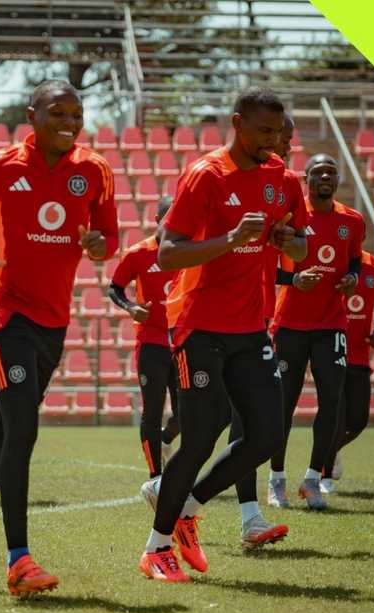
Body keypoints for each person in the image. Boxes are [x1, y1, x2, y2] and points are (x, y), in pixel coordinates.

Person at [0, 79, 119, 596]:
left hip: (53, 324)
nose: (69, 123)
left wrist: (101, 245)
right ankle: (19, 562)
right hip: (3, 317)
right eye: (57, 112)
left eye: (76, 114)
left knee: (9, 437)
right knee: (23, 431)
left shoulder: (94, 170)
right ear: (31, 115)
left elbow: (110, 237)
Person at [138, 87, 306, 583]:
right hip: (199, 326)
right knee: (201, 435)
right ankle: (157, 548)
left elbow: (299, 247)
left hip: (252, 325)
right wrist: (230, 240)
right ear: (237, 123)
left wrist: (285, 239)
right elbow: (168, 254)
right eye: (263, 131)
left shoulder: (283, 178)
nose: (273, 141)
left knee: (268, 436)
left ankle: (188, 507)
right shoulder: (205, 175)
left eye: (278, 132)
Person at [268, 153, 364, 510]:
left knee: (332, 403)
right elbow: (267, 269)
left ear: (337, 181)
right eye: (318, 173)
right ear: (305, 179)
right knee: (283, 405)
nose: (325, 177)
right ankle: (276, 480)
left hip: (331, 324)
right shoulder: (291, 218)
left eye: (331, 173)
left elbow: (354, 259)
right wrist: (294, 279)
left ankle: (312, 479)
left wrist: (352, 277)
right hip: (290, 325)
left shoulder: (352, 221)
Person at [109, 196, 179, 478]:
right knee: (152, 410)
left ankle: (164, 440)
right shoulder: (138, 253)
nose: (173, 224)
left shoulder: (188, 253)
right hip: (151, 343)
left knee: (188, 414)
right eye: (168, 218)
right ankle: (155, 477)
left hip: (184, 341)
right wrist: (130, 307)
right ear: (157, 221)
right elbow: (114, 288)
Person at [323, 249, 374, 493]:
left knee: (358, 422)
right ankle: (324, 475)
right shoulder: (332, 261)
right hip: (331, 351)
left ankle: (329, 449)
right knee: (336, 420)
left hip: (360, 355)